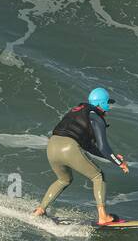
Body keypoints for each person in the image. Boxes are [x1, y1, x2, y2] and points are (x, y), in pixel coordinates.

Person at [32, 87, 129, 225]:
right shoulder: (96, 117)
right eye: (108, 103)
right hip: (68, 147)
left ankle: (40, 210)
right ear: (101, 103)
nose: (108, 108)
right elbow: (103, 147)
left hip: (52, 146)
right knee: (98, 176)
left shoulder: (78, 112)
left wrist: (111, 157)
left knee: (64, 179)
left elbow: (89, 146)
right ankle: (103, 217)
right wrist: (119, 163)